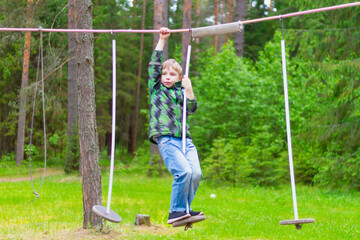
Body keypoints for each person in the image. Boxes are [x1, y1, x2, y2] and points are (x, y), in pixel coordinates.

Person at [148, 27, 203, 224]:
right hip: (167, 139)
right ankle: (176, 211)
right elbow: (154, 65)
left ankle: (185, 209)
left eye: (172, 74)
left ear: (179, 78)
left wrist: (190, 90)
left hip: (185, 141)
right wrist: (162, 40)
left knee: (196, 173)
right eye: (165, 73)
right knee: (184, 172)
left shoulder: (181, 93)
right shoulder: (157, 89)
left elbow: (192, 108)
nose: (167, 76)